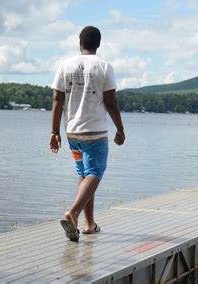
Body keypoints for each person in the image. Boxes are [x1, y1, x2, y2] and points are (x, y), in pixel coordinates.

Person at [50, 26, 125, 242]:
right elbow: (111, 102)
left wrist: (54, 131)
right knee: (95, 172)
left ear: (79, 42)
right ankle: (73, 213)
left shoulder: (65, 65)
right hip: (95, 131)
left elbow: (57, 100)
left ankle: (89, 224)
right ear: (98, 44)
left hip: (72, 132)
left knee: (84, 175)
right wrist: (120, 129)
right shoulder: (104, 66)